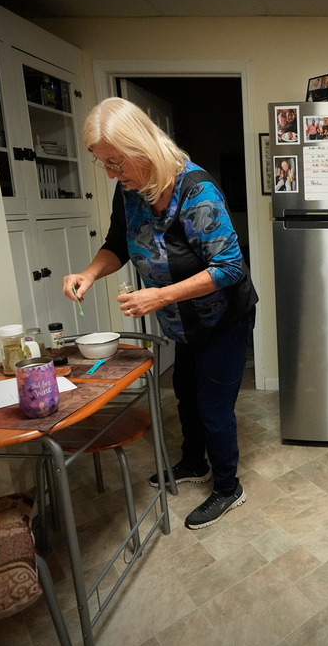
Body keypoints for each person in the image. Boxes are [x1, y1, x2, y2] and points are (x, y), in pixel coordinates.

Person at [63, 97, 258, 530]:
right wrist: (90, 273)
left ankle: (229, 488)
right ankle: (194, 463)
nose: (112, 173)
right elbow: (117, 244)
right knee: (185, 391)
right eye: (105, 165)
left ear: (141, 146)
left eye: (116, 162)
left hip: (222, 317)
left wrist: (159, 296)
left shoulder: (196, 190)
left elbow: (229, 267)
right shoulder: (129, 189)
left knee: (213, 405)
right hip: (180, 317)